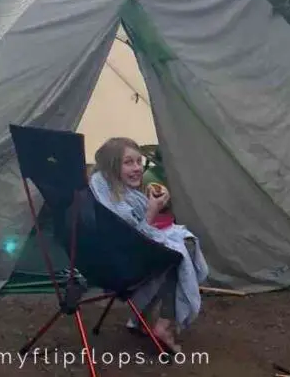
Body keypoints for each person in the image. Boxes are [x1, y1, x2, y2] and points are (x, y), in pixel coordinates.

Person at [87, 137, 209, 353]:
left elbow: (135, 225)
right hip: (119, 266)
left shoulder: (111, 188)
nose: (137, 169)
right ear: (112, 166)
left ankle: (139, 317)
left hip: (117, 256)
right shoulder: (106, 196)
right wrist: (152, 210)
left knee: (183, 242)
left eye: (138, 162)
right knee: (180, 253)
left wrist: (155, 204)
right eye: (128, 162)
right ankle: (164, 323)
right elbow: (132, 236)